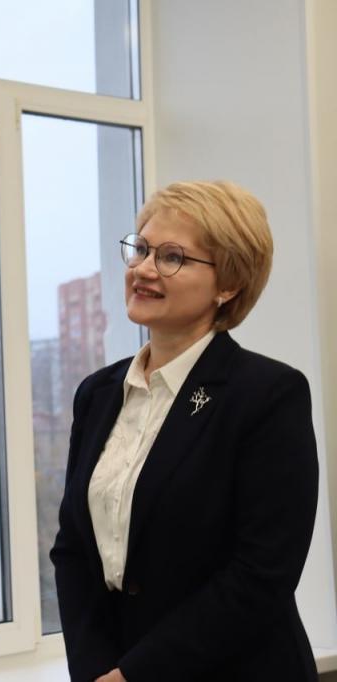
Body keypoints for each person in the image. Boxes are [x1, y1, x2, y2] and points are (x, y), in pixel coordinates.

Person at [50, 180, 319, 681]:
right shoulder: (98, 394)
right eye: (142, 249)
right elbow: (73, 549)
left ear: (228, 284)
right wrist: (95, 672)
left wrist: (135, 675)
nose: (144, 269)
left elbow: (262, 575)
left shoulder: (268, 395)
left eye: (172, 257)